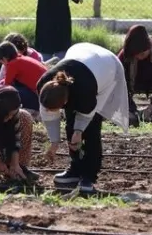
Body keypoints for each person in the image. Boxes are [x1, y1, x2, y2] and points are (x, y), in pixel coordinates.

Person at [37, 43, 131, 193]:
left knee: (91, 129)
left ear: (65, 101)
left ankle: (89, 175)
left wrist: (79, 131)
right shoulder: (44, 84)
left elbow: (86, 113)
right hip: (83, 57)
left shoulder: (85, 91)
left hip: (106, 68)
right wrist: (54, 142)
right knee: (70, 124)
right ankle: (75, 168)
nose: (50, 111)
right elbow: (48, 114)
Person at [0, 42, 47, 112]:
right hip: (46, 93)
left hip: (41, 99)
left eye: (2, 62)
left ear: (4, 59)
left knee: (8, 91)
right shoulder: (22, 58)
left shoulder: (12, 64)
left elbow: (6, 85)